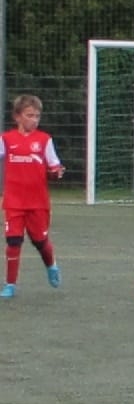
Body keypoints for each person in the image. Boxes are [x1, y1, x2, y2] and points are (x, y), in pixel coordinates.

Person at [2, 94, 65, 299]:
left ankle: (51, 265)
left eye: (37, 116)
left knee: (40, 241)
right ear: (17, 116)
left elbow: (54, 164)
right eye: (30, 115)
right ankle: (10, 284)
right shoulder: (6, 139)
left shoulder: (44, 140)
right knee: (13, 241)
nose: (34, 120)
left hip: (38, 202)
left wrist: (57, 171)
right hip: (14, 201)